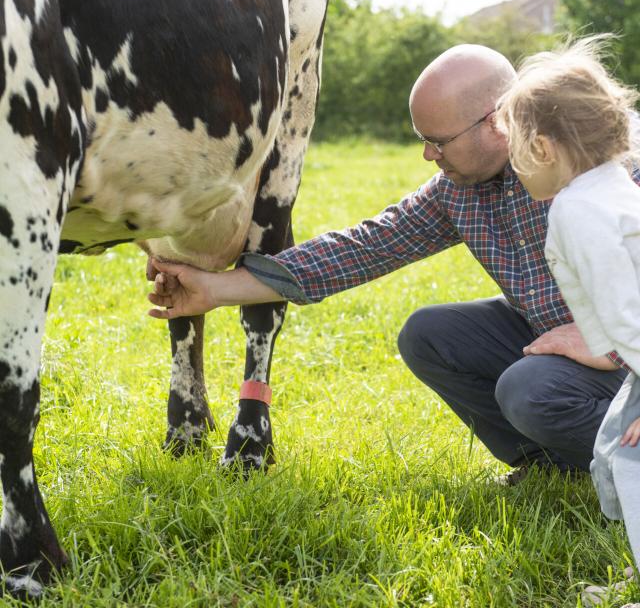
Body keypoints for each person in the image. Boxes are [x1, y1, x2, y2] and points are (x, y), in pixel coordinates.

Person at [147, 42, 638, 485]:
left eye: (438, 141)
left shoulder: (605, 162)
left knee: (527, 390)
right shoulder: (457, 192)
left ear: (495, 121)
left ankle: (626, 459)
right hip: (558, 338)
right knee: (430, 335)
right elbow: (361, 249)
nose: (427, 154)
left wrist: (605, 340)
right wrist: (213, 289)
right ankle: (554, 466)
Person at [495, 36, 640, 602]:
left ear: (543, 148)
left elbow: (629, 311)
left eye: (513, 149)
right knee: (611, 453)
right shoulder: (616, 188)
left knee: (628, 459)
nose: (511, 165)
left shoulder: (579, 210)